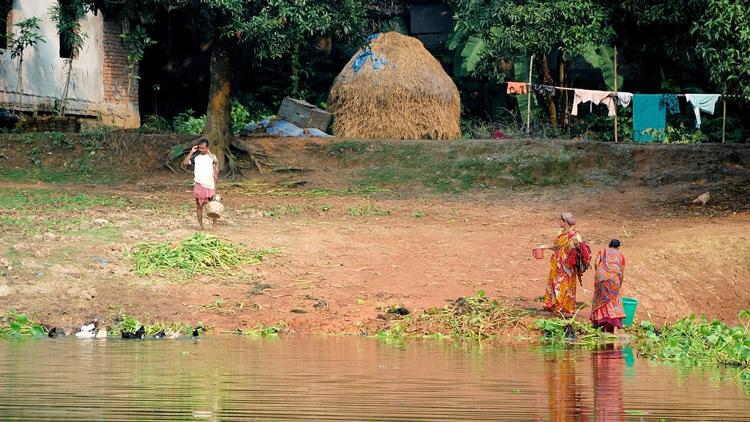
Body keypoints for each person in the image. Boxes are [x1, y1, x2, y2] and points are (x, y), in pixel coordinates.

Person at [538, 212, 582, 315]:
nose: (559, 222)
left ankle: (563, 307)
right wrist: (545, 247)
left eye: (560, 220)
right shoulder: (560, 232)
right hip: (557, 263)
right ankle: (554, 305)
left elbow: (578, 248)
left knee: (565, 284)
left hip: (568, 264)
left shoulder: (575, 235)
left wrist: (574, 245)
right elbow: (556, 246)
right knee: (555, 283)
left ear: (565, 222)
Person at [182, 138, 219, 230]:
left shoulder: (212, 157)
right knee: (199, 206)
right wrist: (191, 152)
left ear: (207, 148)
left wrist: (209, 152)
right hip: (199, 184)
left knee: (212, 205)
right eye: (200, 148)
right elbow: (185, 162)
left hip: (209, 184)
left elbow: (216, 163)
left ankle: (214, 224)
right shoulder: (196, 157)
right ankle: (201, 225)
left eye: (203, 148)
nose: (201, 150)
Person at [590, 239, 626, 333]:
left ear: (609, 245)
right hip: (614, 278)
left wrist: (600, 273)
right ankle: (615, 329)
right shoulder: (621, 255)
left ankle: (599, 324)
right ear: (618, 247)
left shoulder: (603, 251)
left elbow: (596, 263)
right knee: (613, 300)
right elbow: (621, 272)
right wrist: (619, 284)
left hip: (600, 277)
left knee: (600, 298)